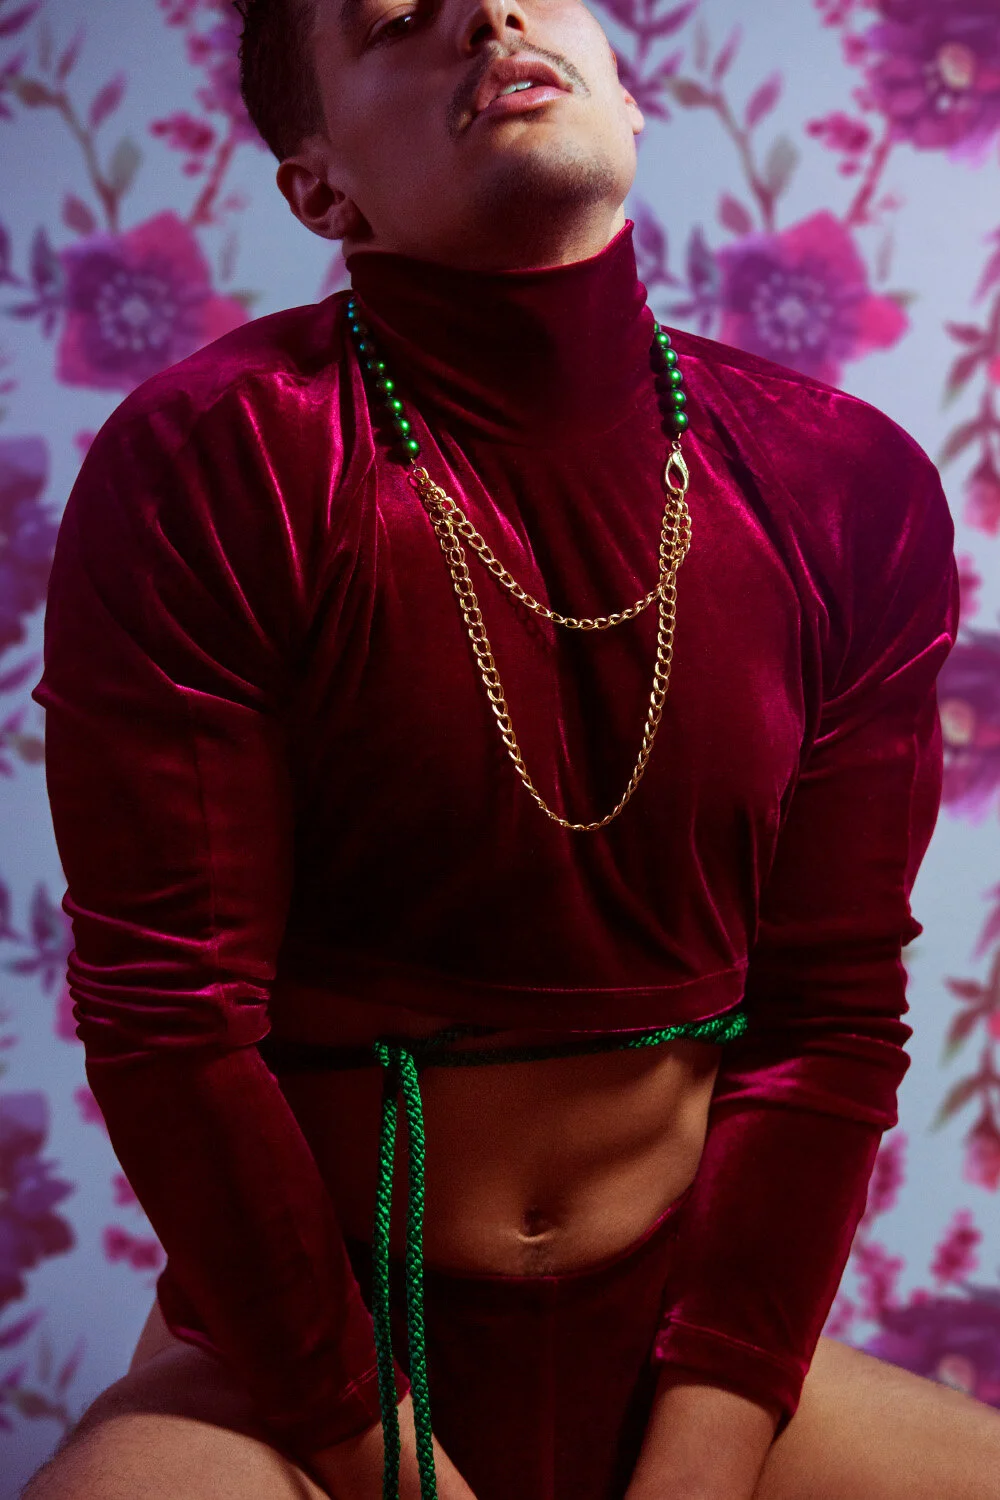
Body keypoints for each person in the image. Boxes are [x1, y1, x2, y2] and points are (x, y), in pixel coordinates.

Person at [19, 0, 1000, 1496]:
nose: (488, 16)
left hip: (687, 1369)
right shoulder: (216, 458)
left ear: (627, 90)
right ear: (322, 190)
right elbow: (172, 1024)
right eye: (398, 21)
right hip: (310, 1377)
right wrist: (378, 1451)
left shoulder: (844, 485)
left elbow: (833, 1017)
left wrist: (701, 1465)